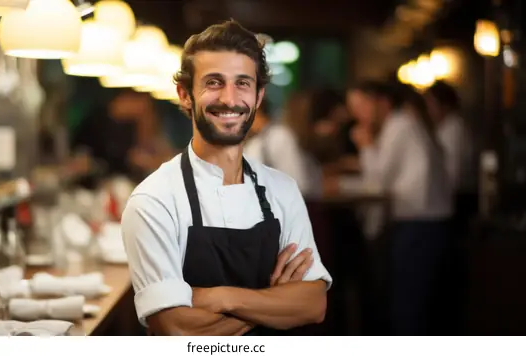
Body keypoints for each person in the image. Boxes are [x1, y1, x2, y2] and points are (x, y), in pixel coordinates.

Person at [121, 20, 332, 336]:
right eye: (214, 82)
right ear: (185, 95)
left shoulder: (282, 190)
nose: (230, 99)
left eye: (243, 83)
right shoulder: (153, 200)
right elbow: (175, 329)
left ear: (258, 96)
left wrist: (219, 297)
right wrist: (273, 300)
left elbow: (313, 305)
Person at [346, 81, 452, 335]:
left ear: (381, 102)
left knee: (408, 306)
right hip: (428, 224)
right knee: (416, 303)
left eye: (361, 106)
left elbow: (378, 183)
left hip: (419, 225)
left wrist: (365, 145)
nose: (356, 115)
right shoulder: (405, 123)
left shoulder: (398, 125)